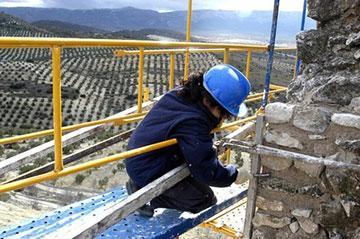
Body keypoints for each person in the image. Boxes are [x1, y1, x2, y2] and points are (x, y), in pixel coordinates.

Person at [125, 64, 251, 217]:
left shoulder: (181, 95)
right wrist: (233, 175)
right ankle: (145, 195)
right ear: (212, 104)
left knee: (196, 181)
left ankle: (139, 183)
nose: (223, 119)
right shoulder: (194, 121)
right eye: (224, 114)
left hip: (143, 156)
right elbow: (205, 170)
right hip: (148, 166)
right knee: (205, 199)